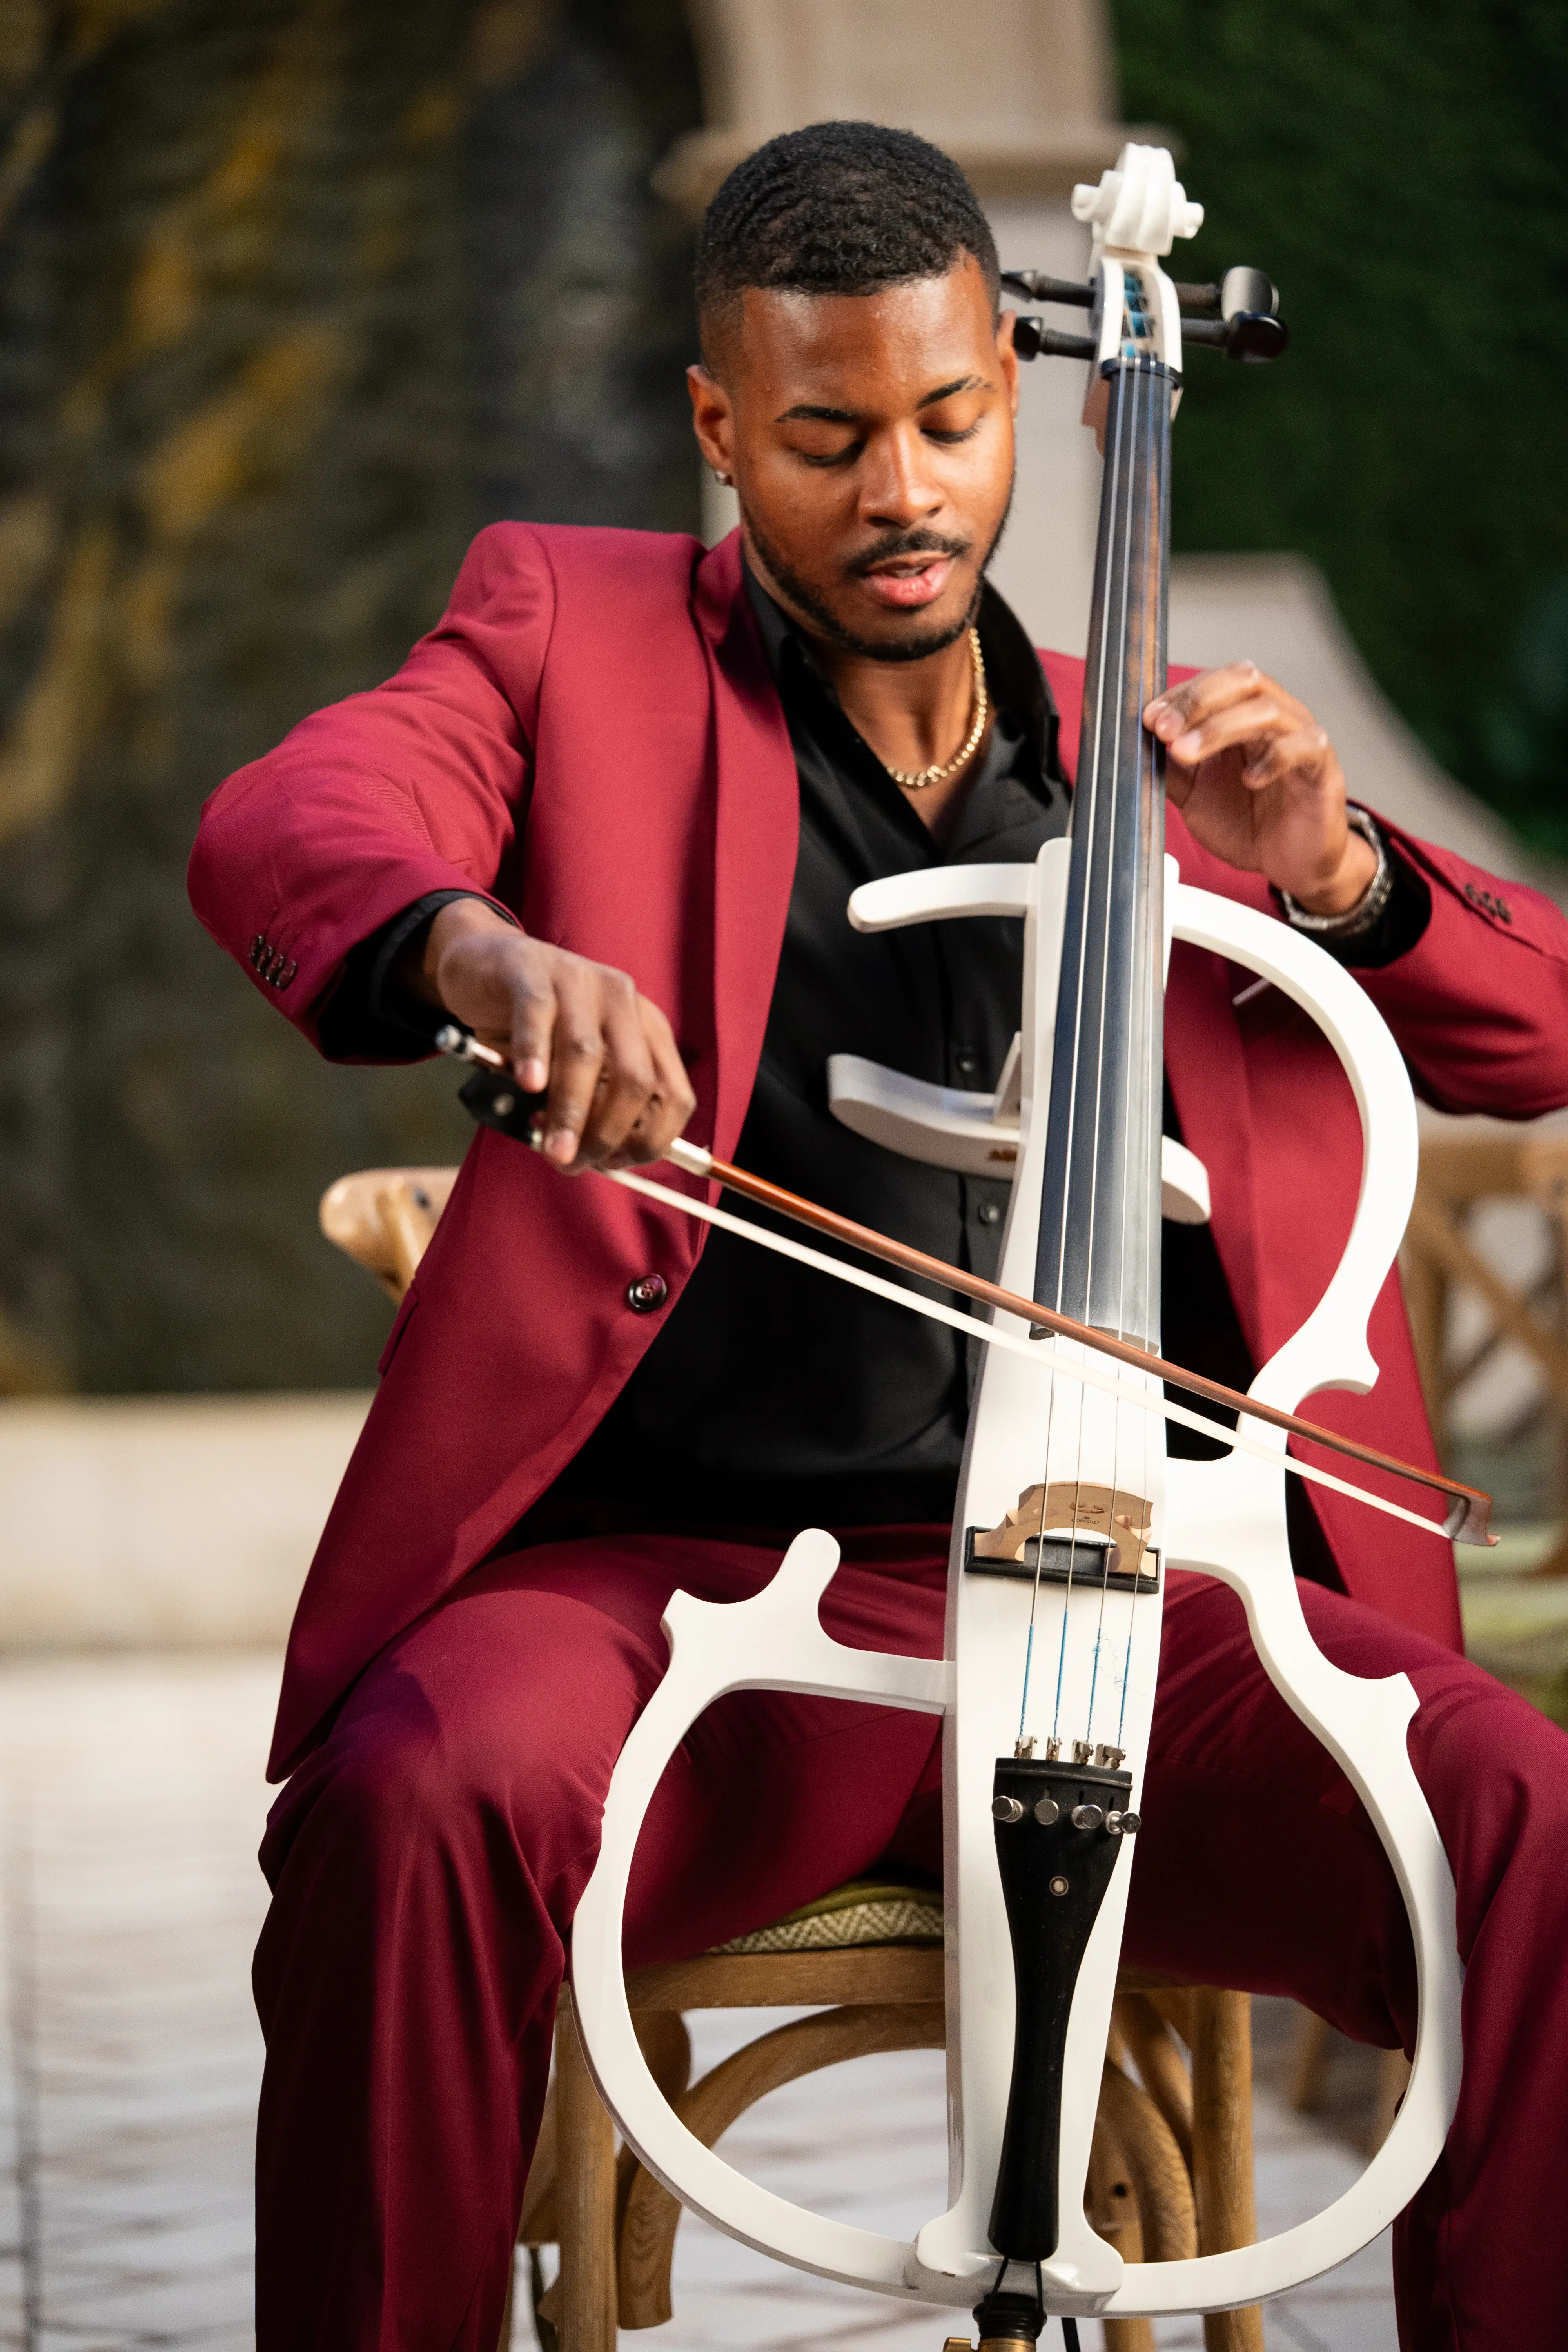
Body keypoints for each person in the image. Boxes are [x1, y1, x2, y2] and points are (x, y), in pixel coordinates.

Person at [189, 121, 1568, 2352]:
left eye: (947, 422)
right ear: (723, 425)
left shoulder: (1163, 768)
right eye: (827, 439)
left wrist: (1332, 874)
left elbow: (1533, 1028)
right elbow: (299, 816)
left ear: (1018, 400)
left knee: (1529, 1823)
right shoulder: (574, 628)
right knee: (412, 1804)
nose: (904, 492)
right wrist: (478, 951)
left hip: (1143, 1617)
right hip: (680, 1612)